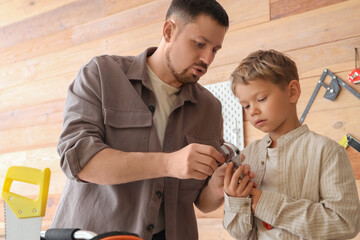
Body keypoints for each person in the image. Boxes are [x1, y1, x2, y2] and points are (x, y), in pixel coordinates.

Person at [51, 1, 230, 240]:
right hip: (96, 235)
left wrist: (218, 188)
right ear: (168, 31)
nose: (207, 59)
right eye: (199, 44)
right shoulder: (101, 74)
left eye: (215, 50)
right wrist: (169, 163)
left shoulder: (210, 108)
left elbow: (202, 202)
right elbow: (79, 160)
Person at [222, 49, 360, 239]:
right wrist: (235, 200)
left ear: (292, 92)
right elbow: (240, 233)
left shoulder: (327, 151)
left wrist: (264, 203)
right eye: (245, 106)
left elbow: (346, 223)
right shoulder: (248, 155)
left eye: (261, 99)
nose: (252, 111)